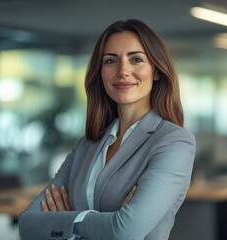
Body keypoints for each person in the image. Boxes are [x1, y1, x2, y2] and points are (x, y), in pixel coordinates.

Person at [19, 19, 196, 240]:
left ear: (157, 71)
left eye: (136, 59)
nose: (123, 71)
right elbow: (27, 224)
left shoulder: (174, 142)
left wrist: (68, 219)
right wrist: (107, 221)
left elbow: (124, 231)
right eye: (111, 61)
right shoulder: (87, 145)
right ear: (100, 73)